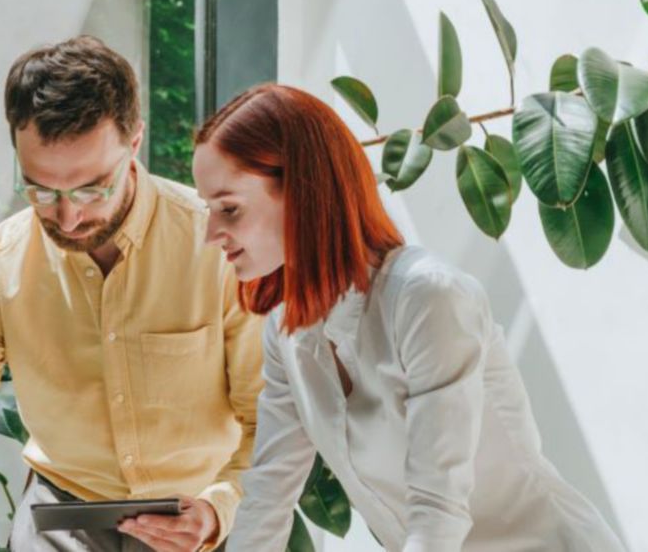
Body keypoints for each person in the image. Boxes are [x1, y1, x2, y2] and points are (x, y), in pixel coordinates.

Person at [0, 37, 258, 552]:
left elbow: (266, 421)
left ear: (135, 142)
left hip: (199, 524)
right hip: (62, 522)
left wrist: (218, 508)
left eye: (92, 188)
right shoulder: (3, 264)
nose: (68, 217)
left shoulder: (218, 249)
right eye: (41, 190)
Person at [184, 84, 625, 551]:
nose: (212, 234)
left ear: (303, 191)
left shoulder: (428, 298)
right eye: (209, 210)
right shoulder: (287, 330)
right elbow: (267, 497)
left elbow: (438, 513)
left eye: (229, 209)